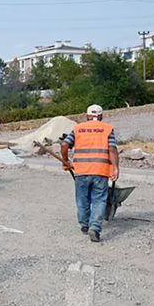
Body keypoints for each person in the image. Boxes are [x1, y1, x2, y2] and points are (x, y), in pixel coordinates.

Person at [61, 104, 120, 243]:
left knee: (82, 199)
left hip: (81, 171)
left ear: (87, 116)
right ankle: (95, 227)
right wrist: (116, 167)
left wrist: (65, 160)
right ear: (101, 116)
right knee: (99, 200)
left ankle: (84, 225)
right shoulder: (107, 129)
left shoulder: (78, 129)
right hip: (101, 170)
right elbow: (112, 149)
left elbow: (64, 145)